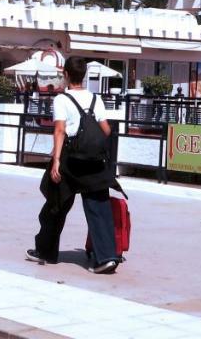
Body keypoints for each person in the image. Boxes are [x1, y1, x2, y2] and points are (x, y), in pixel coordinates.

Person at [28, 56, 118, 274]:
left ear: (66, 75)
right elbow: (106, 130)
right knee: (99, 206)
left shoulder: (62, 99)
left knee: (55, 204)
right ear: (84, 75)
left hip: (70, 159)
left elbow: (59, 130)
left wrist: (56, 160)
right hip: (93, 161)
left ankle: (46, 251)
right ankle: (106, 257)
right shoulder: (96, 99)